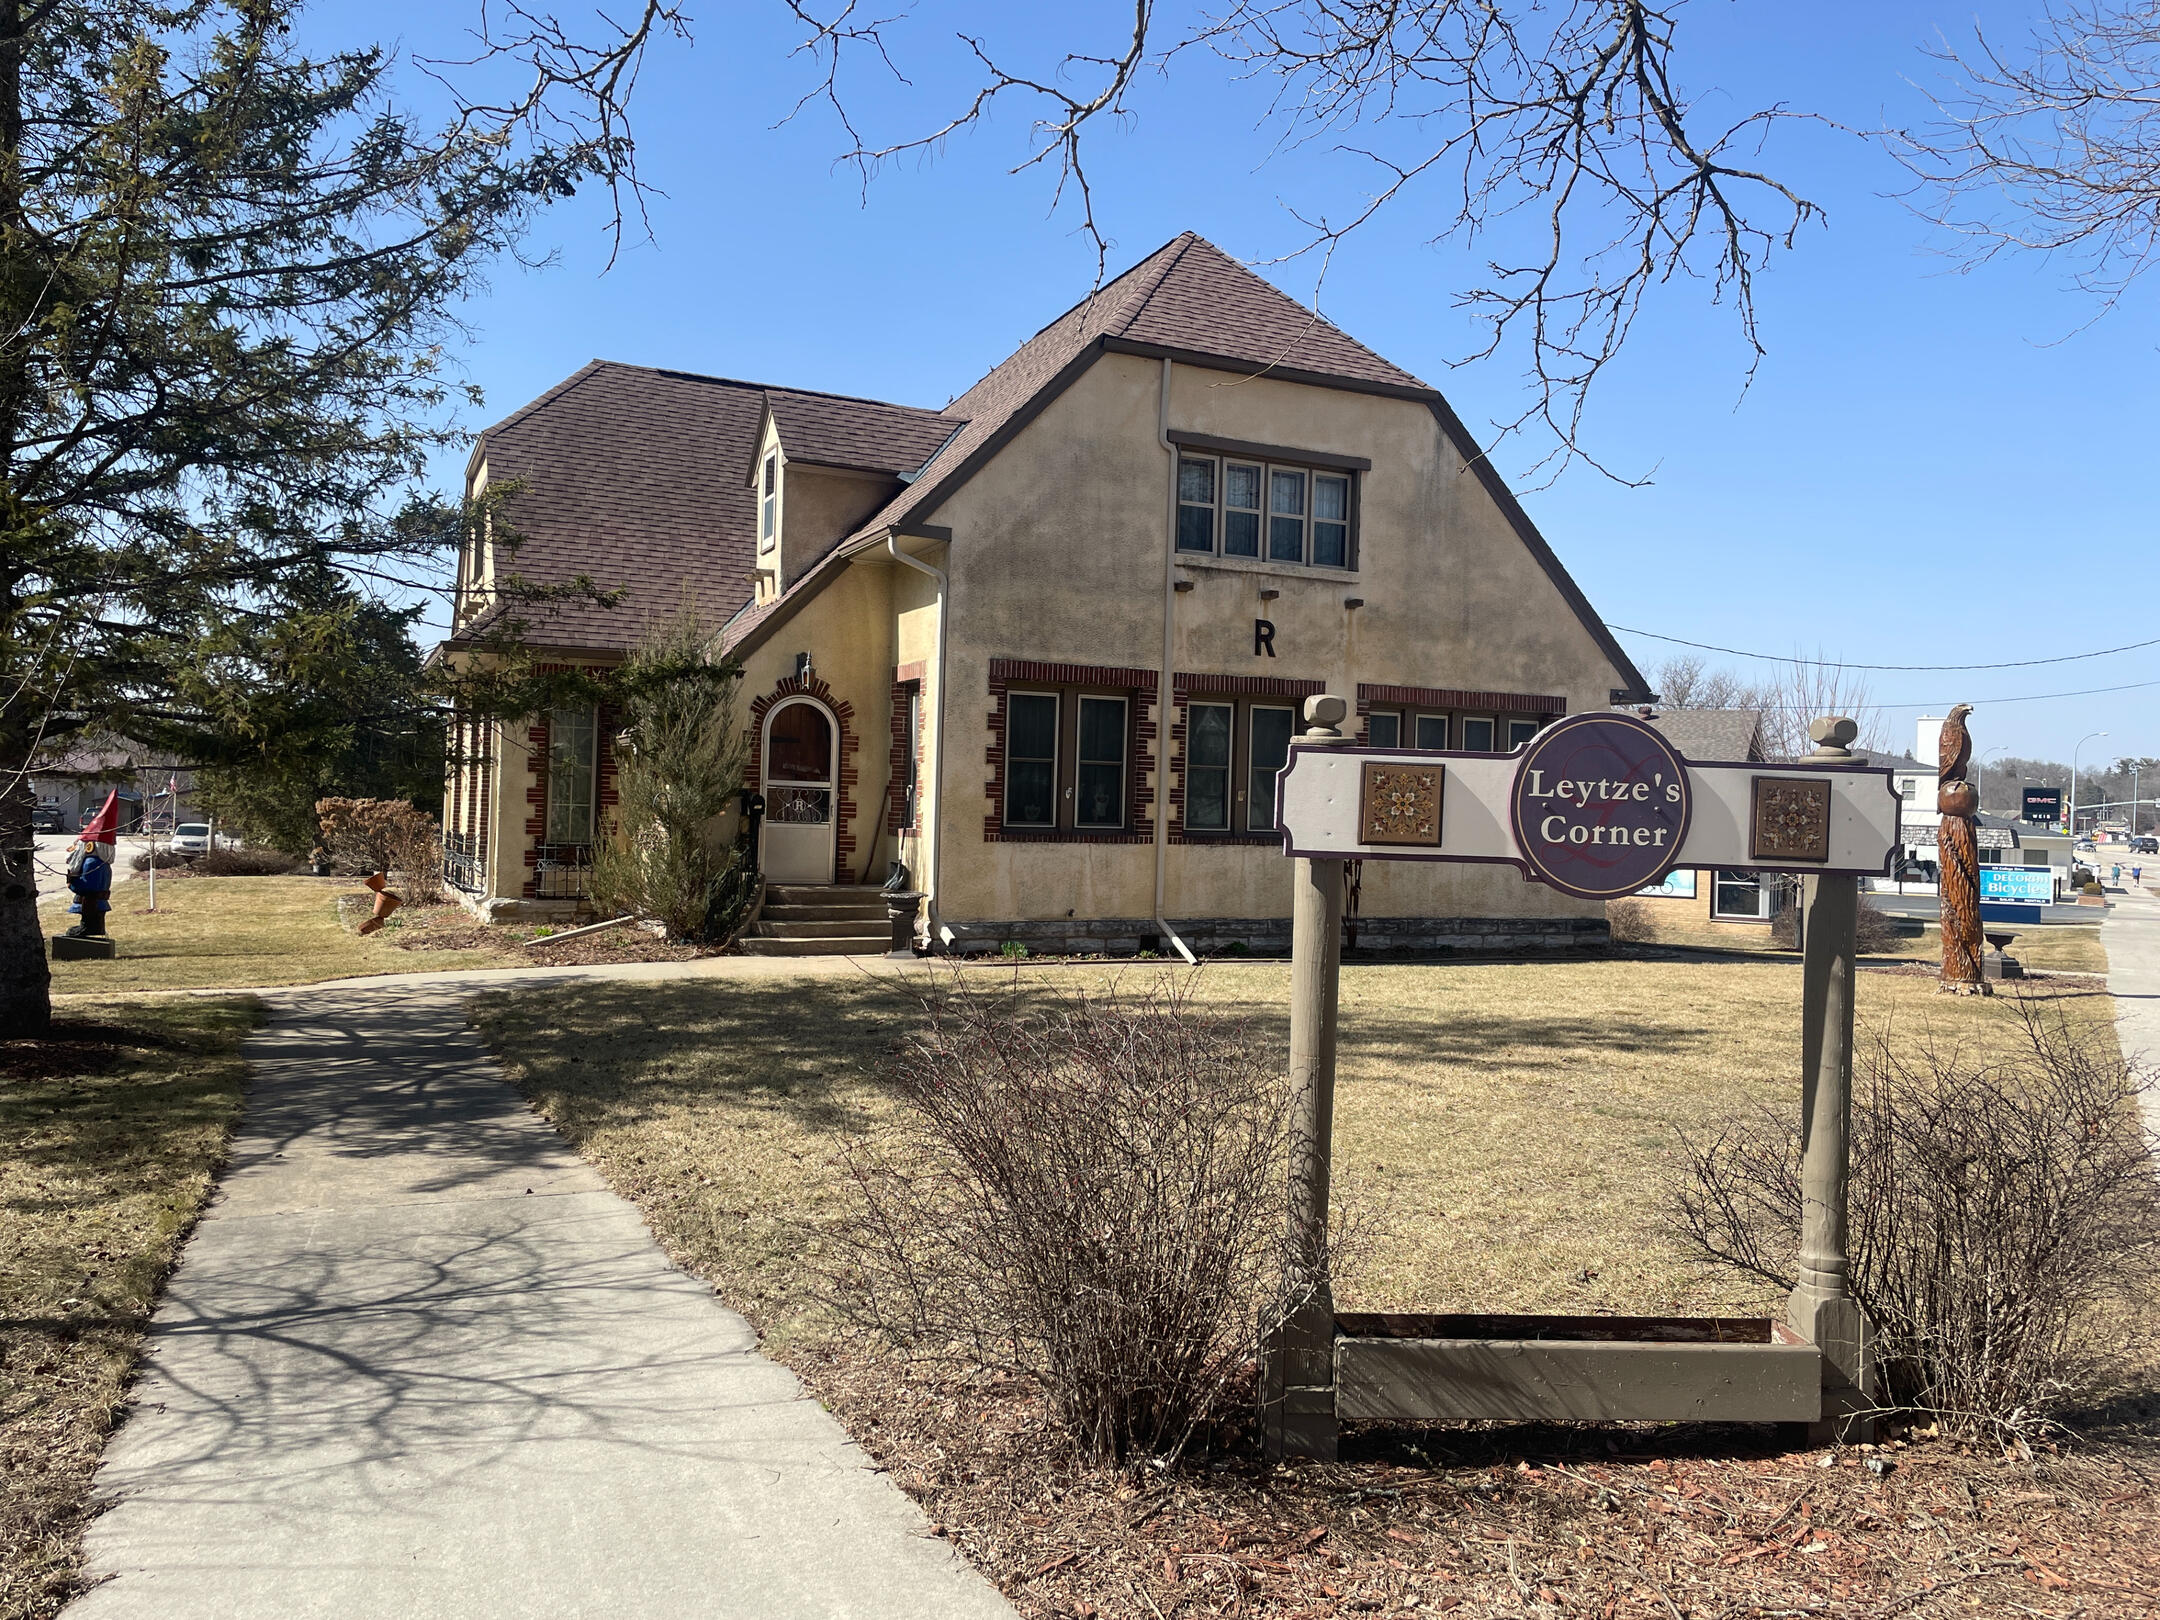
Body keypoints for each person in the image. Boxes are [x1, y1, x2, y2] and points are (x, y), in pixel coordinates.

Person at [64, 792, 119, 938]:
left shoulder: (91, 863)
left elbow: (87, 887)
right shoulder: (104, 863)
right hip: (98, 902)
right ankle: (94, 928)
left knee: (90, 919)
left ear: (89, 846)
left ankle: (88, 929)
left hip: (91, 903)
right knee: (96, 918)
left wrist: (71, 883)